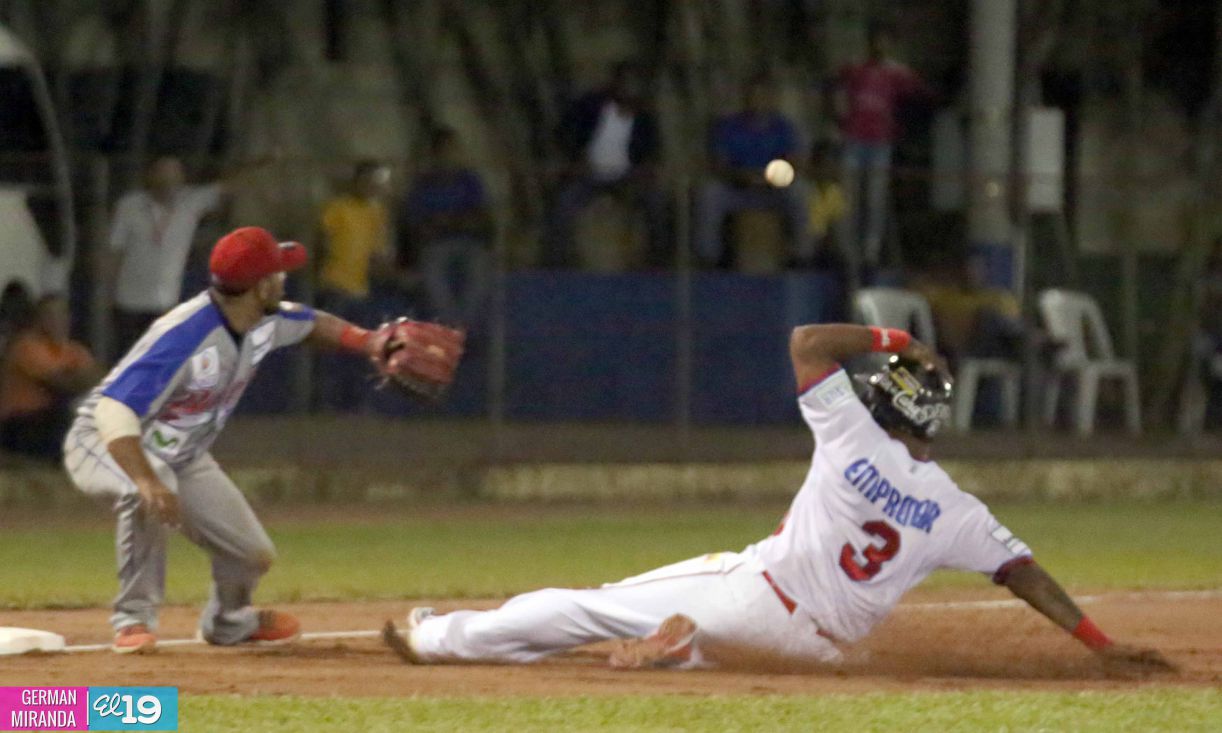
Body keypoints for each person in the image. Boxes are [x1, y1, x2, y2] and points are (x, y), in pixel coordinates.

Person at [383, 323, 1173, 677]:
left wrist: (895, 340)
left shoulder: (851, 433)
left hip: (758, 595)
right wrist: (1101, 645)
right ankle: (686, 648)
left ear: (887, 403)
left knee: (586, 605)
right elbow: (1027, 574)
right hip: (820, 652)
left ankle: (440, 639)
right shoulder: (959, 510)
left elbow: (806, 341)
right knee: (702, 614)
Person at [63, 226, 463, 654]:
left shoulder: (263, 318)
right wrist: (145, 480)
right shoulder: (184, 335)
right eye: (277, 272)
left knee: (250, 553)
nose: (283, 279)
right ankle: (133, 622)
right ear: (260, 286)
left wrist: (369, 342)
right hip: (104, 441)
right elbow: (113, 411)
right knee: (146, 486)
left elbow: (312, 324)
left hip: (183, 454)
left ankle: (228, 623)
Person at [544, 62, 669, 268]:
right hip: (589, 173)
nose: (631, 89)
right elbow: (564, 133)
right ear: (616, 83)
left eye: (636, 84)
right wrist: (575, 160)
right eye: (627, 83)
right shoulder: (591, 105)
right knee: (563, 206)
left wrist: (645, 169)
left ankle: (657, 263)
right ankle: (557, 263)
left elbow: (651, 150)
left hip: (627, 176)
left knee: (656, 201)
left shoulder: (645, 116)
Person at [834, 23, 931, 277]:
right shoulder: (855, 69)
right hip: (854, 140)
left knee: (875, 199)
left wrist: (902, 129)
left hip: (880, 143)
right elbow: (834, 88)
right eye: (877, 40)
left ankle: (870, 253)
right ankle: (847, 252)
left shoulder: (897, 73)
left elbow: (919, 96)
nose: (880, 46)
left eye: (885, 41)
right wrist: (839, 120)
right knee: (849, 198)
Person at [107, 156, 227, 354]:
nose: (168, 183)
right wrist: (109, 291)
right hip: (128, 301)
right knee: (127, 360)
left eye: (173, 177)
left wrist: (265, 160)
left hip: (164, 302)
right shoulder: (129, 205)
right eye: (163, 176)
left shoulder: (191, 202)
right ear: (151, 177)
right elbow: (115, 250)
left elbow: (231, 185)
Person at [694, 74, 811, 268]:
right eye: (754, 96)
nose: (758, 101)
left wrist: (769, 178)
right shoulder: (728, 127)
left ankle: (802, 256)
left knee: (801, 191)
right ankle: (709, 257)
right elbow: (719, 164)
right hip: (738, 188)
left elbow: (793, 163)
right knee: (710, 193)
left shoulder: (784, 128)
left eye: (763, 96)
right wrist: (742, 177)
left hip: (773, 190)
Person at [402, 129, 494, 327]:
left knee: (479, 274)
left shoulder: (469, 181)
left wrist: (448, 221)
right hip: (436, 246)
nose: (450, 155)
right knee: (433, 278)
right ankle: (451, 328)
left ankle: (461, 328)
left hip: (469, 244)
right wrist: (448, 223)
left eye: (453, 150)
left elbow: (480, 217)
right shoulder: (423, 184)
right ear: (435, 154)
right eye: (445, 151)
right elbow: (418, 225)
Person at [0, 295, 100, 461]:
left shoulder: (73, 350)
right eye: (49, 315)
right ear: (38, 320)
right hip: (20, 423)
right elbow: (60, 384)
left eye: (61, 314)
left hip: (48, 421)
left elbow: (101, 379)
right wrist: (81, 379)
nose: (56, 320)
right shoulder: (26, 346)